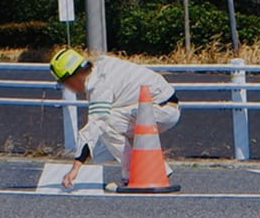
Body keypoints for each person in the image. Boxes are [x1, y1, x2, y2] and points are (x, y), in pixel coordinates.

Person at [49, 48, 179, 192]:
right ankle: (156, 172)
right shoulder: (101, 69)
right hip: (164, 105)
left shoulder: (98, 85)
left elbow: (96, 124)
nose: (68, 88)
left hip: (160, 110)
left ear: (74, 78)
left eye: (64, 83)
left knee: (107, 123)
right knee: (114, 124)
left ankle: (133, 177)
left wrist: (76, 167)